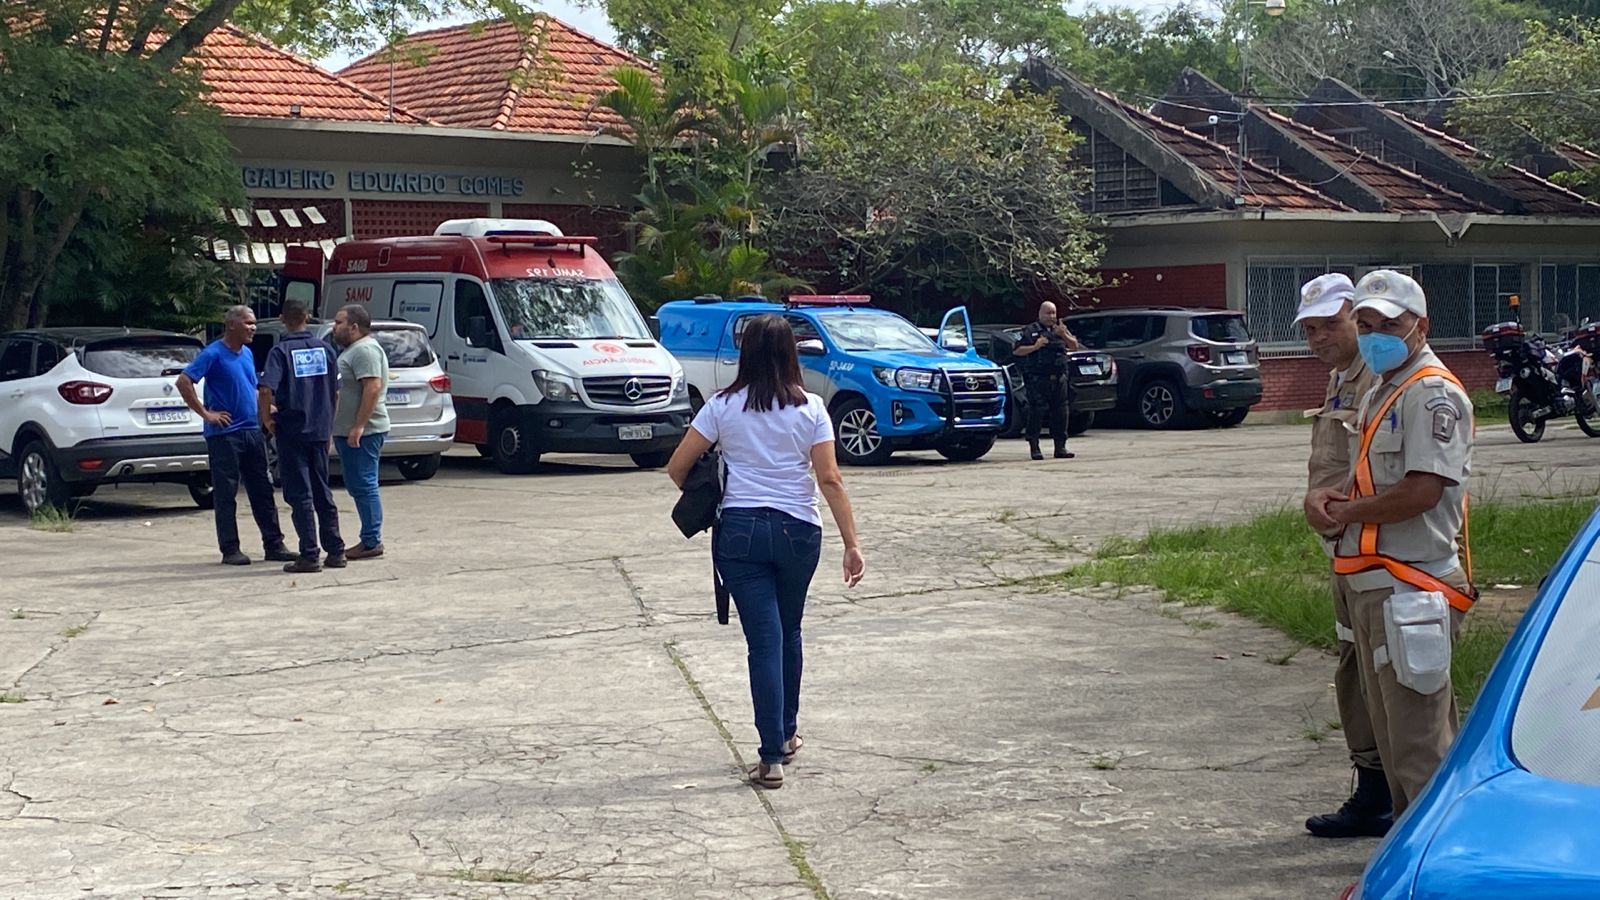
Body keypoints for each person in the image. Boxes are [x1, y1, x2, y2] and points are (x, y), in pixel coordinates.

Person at [666, 314, 867, 790]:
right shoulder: (812, 408)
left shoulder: (721, 406)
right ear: (791, 353)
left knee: (763, 639)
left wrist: (711, 492)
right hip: (800, 530)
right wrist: (852, 544)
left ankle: (771, 756)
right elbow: (830, 479)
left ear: (747, 353)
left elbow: (678, 467)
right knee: (789, 630)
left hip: (740, 534)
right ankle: (789, 733)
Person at [1305, 269, 1475, 820]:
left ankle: (1433, 865)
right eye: (1367, 322)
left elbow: (1422, 491)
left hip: (1412, 585)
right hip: (1378, 581)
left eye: (1388, 324)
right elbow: (1373, 474)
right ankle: (1402, 857)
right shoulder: (1385, 384)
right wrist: (1331, 498)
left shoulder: (1431, 394)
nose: (1375, 333)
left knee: (1419, 749)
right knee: (1392, 740)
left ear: (1420, 326)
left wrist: (1348, 511)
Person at [1294, 274, 1389, 838]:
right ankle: (1372, 790)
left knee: (1392, 680)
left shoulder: (1380, 377)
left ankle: (1397, 800)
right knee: (1353, 671)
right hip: (1345, 549)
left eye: (1330, 324)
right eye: (1310, 328)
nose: (1319, 337)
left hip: (1382, 552)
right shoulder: (1339, 378)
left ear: (1357, 315)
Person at [176, 305, 293, 566]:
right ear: (231, 325)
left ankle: (274, 543)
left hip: (251, 431)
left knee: (262, 489)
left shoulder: (247, 354)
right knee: (226, 492)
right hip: (225, 434)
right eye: (248, 323)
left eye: (254, 323)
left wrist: (267, 409)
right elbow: (184, 382)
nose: (253, 328)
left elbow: (250, 388)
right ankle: (230, 548)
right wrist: (207, 414)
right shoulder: (214, 353)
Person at [259, 299, 346, 573]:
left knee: (300, 493)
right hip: (320, 429)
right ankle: (336, 551)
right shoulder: (326, 349)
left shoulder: (280, 351)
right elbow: (336, 390)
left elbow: (265, 390)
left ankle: (309, 554)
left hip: (293, 430)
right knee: (323, 489)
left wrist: (266, 419)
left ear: (283, 319)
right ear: (308, 317)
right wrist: (328, 424)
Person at [330, 304, 390, 560]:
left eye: (338, 323)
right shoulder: (353, 350)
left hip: (364, 432)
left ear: (354, 327)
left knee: (364, 485)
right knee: (357, 485)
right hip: (349, 431)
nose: (334, 328)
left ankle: (371, 541)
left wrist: (359, 426)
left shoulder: (364, 350)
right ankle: (369, 537)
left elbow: (373, 387)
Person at [1013, 301, 1081, 460]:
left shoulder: (1060, 329)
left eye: (1053, 313)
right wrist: (1035, 346)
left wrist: (1063, 334)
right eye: (1048, 313)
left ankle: (1060, 447)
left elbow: (1074, 346)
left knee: (1061, 413)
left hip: (1059, 379)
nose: (1051, 317)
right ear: (1040, 314)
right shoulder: (1031, 331)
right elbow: (1017, 350)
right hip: (1038, 379)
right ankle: (1034, 446)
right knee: (1036, 413)